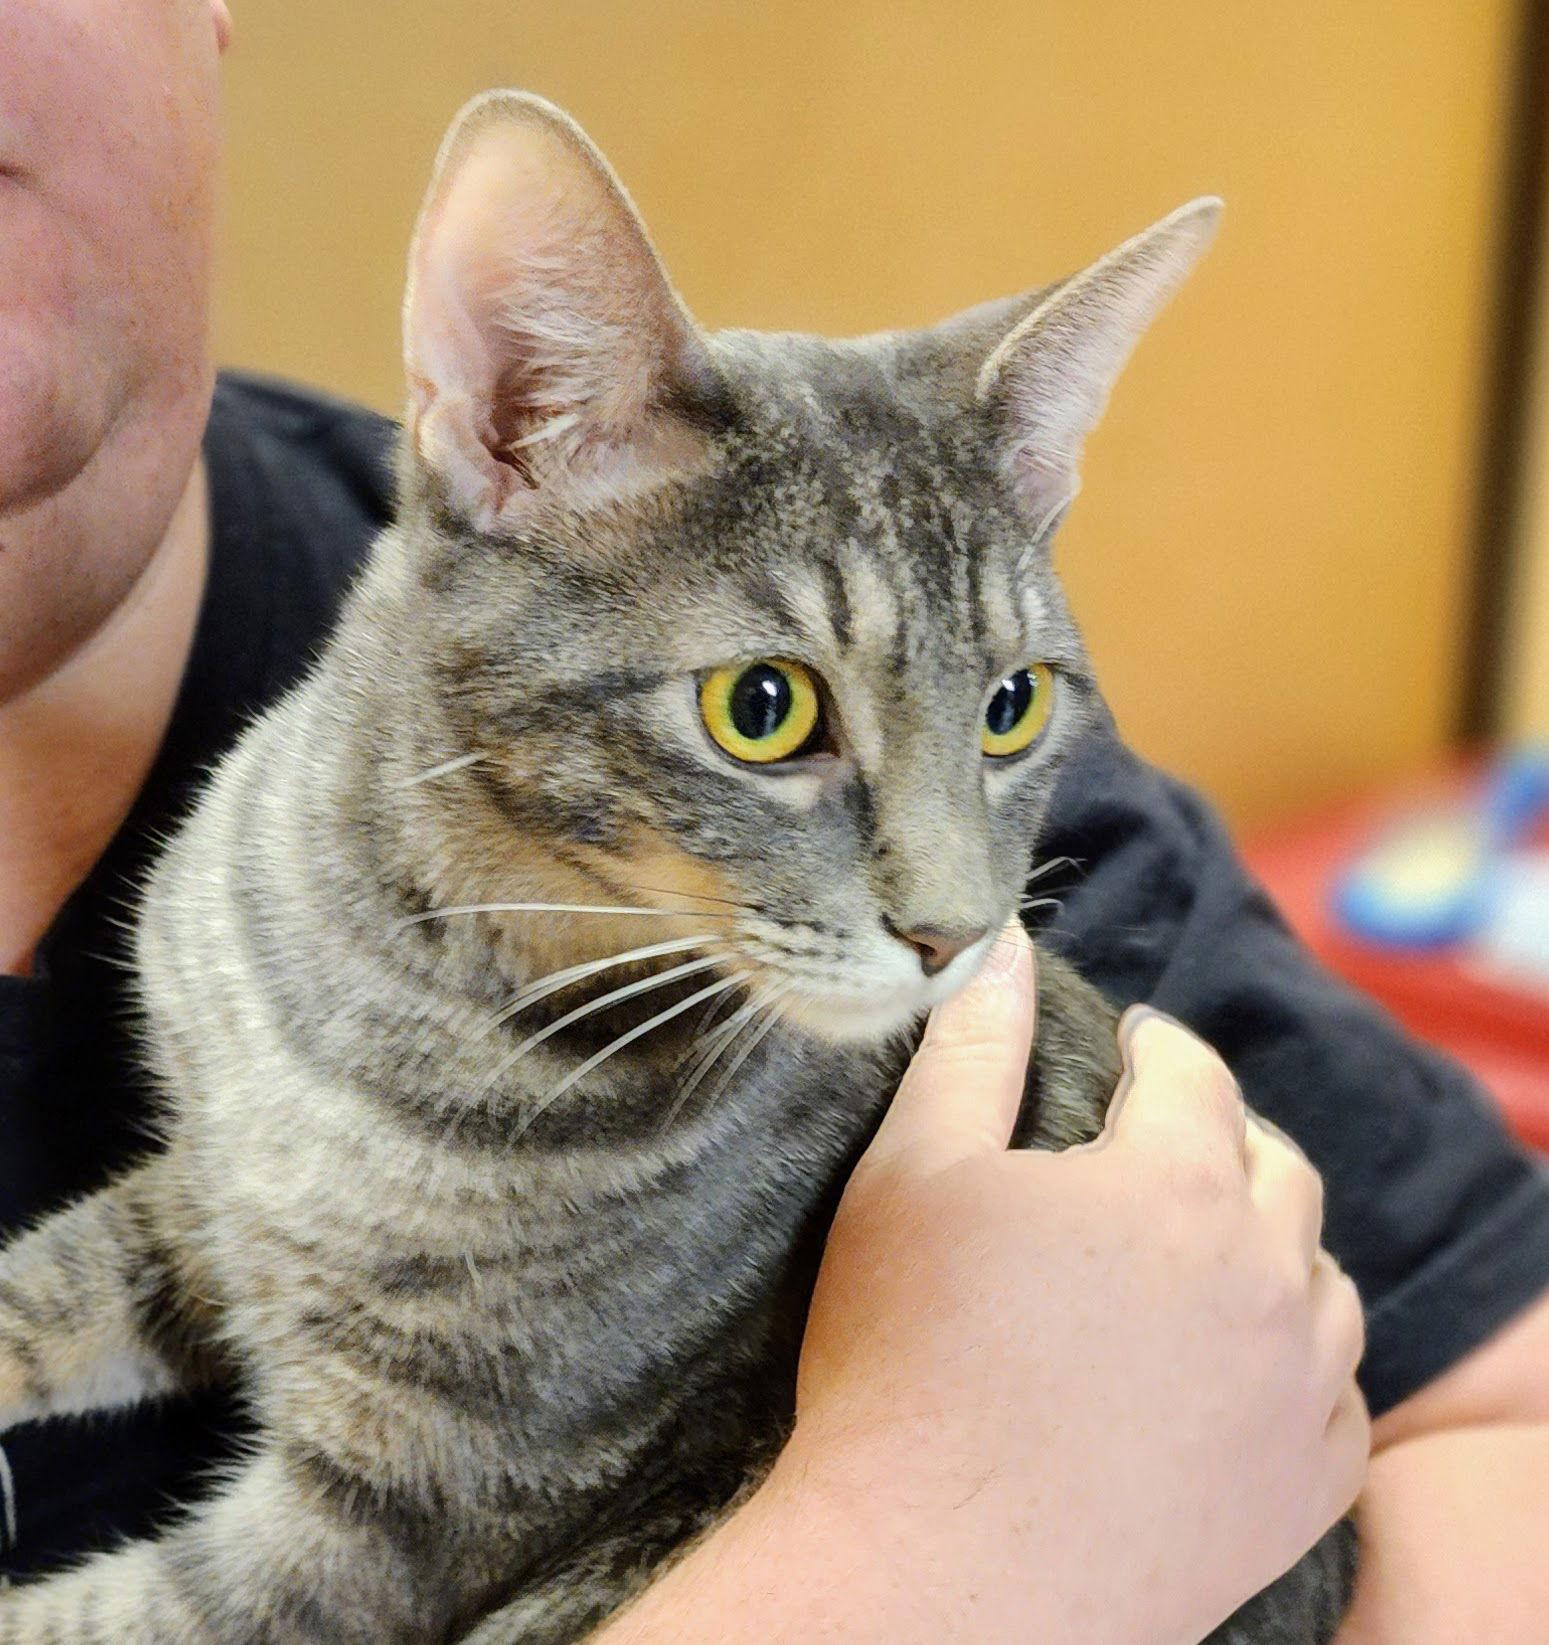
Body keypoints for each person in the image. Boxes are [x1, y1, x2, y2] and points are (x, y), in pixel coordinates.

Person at [1, 2, 1546, 1637]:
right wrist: (909, 1564)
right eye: (766, 711)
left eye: (1008, 711)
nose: (952, 910)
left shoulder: (1000, 889)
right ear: (513, 418)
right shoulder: (325, 808)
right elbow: (277, 1251)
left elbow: (1505, 1422)